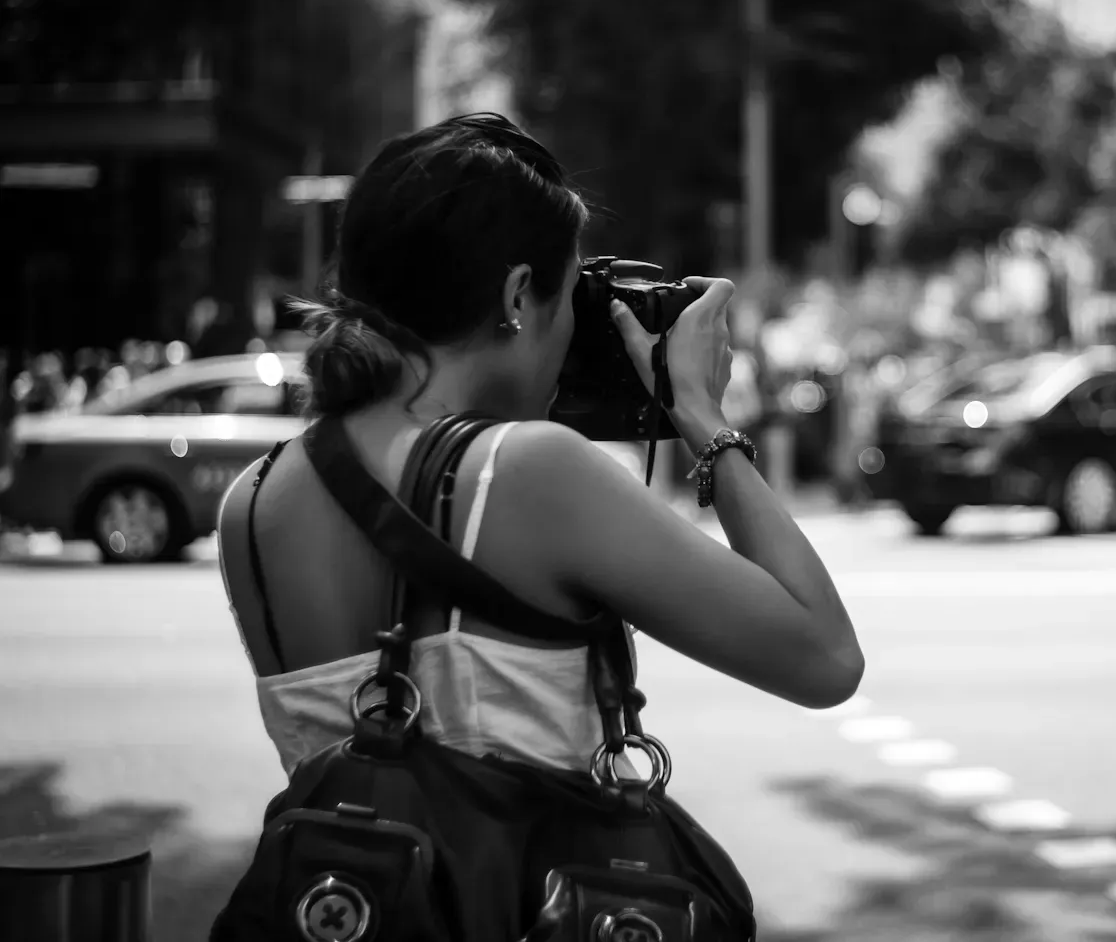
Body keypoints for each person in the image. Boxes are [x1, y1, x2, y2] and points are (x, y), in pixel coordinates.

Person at [216, 114, 865, 782]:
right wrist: (701, 414)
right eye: (574, 295)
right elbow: (826, 659)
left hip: (339, 885)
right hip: (528, 891)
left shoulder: (254, 502)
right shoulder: (528, 471)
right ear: (518, 295)